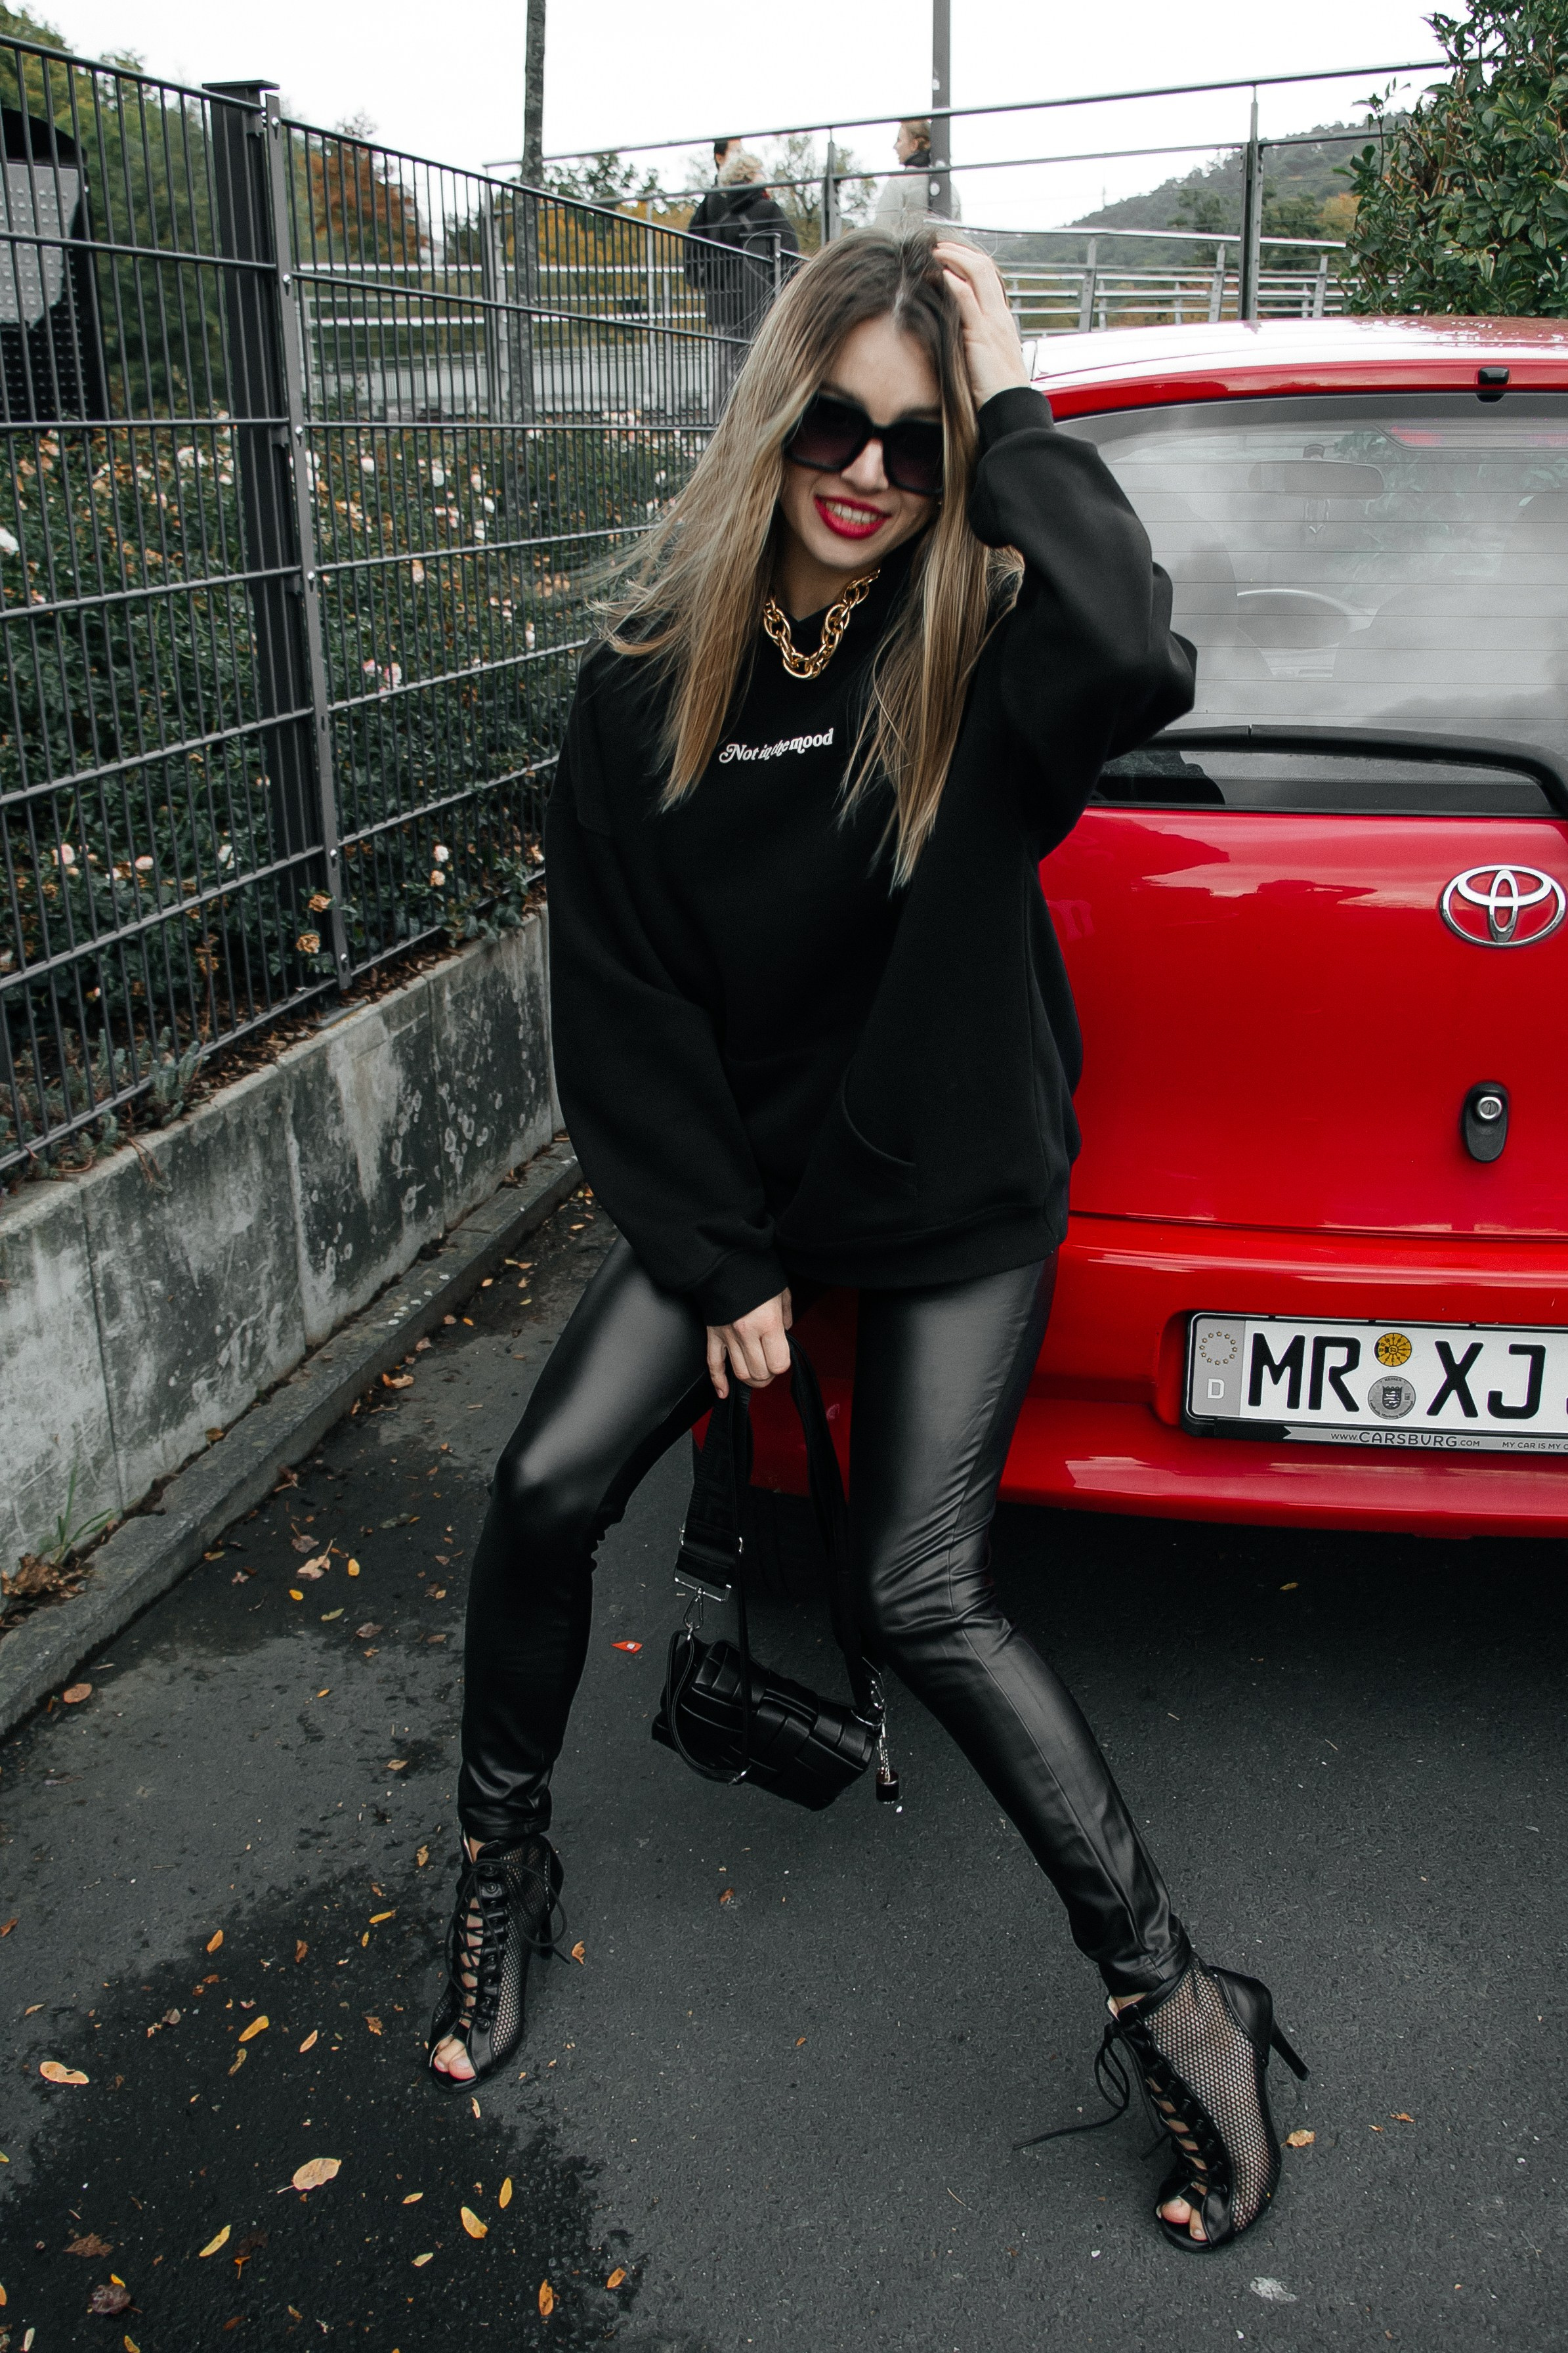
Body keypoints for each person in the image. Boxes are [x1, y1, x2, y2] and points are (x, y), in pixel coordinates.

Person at [427, 227, 1309, 2256]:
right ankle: (500, 1859)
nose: (867, 475)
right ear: (774, 412)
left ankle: (1180, 1998)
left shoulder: (981, 654)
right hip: (737, 1184)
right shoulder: (645, 687)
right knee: (548, 1483)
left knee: (919, 1588)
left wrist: (1013, 408)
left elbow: (1133, 650)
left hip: (946, 1177)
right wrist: (725, 1265)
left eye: (914, 447)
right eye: (837, 422)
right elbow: (625, 1006)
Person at [685, 150, 800, 407]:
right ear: (751, 177)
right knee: (760, 368)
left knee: (723, 370)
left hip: (722, 305)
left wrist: (706, 279)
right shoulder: (768, 209)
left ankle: (720, 425)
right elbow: (791, 253)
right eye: (761, 173)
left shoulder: (713, 209)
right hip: (760, 304)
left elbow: (694, 249)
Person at [873, 117, 960, 227]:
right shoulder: (951, 190)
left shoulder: (899, 182)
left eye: (899, 140)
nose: (895, 146)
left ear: (914, 145)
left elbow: (882, 231)